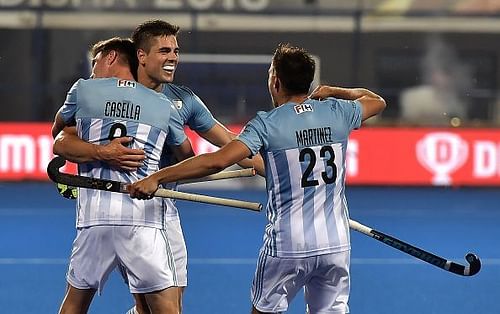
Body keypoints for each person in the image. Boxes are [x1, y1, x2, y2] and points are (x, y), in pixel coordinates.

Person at [128, 43, 386, 313]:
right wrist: (334, 91)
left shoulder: (267, 123)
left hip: (287, 244)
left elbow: (216, 161)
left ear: (275, 81)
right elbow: (376, 101)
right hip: (336, 243)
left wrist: (157, 177)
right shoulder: (338, 111)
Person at [53, 19, 265, 314]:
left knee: (168, 302)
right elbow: (66, 139)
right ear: (141, 56)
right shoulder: (105, 93)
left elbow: (229, 142)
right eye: (164, 51)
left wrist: (278, 172)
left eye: (175, 51)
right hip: (124, 211)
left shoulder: (183, 99)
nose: (173, 58)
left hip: (161, 212)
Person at [52, 37, 192, 314]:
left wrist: (100, 151)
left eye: (95, 63)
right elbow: (186, 155)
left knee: (74, 305)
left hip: (95, 220)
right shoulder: (164, 104)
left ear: (111, 57)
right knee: (165, 308)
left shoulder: (83, 91)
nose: (92, 71)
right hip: (144, 223)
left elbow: (57, 136)